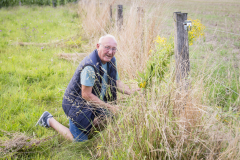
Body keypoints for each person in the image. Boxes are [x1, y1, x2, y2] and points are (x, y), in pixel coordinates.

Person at [36, 34, 140, 142]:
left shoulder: (111, 61)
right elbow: (86, 95)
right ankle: (49, 120)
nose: (110, 52)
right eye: (107, 47)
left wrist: (130, 91)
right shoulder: (90, 67)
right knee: (79, 141)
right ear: (98, 46)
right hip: (77, 105)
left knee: (111, 117)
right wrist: (110, 107)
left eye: (114, 49)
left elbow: (116, 81)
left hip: (93, 102)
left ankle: (87, 124)